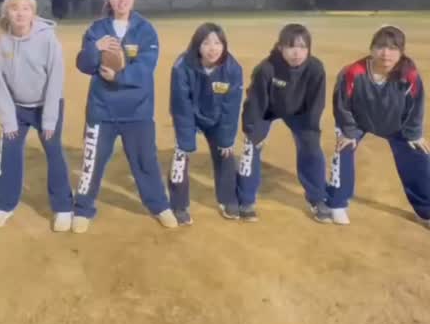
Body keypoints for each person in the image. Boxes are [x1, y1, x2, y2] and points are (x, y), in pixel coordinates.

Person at [72, 0, 177, 232]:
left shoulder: (145, 30)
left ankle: (159, 206)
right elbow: (84, 65)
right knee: (92, 162)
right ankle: (83, 208)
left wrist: (119, 77)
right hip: (102, 109)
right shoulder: (97, 29)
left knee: (145, 161)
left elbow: (146, 67)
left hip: (137, 111)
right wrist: (95, 48)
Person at [326, 24, 430, 228]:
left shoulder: (409, 75)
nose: (386, 53)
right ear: (371, 49)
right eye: (380, 47)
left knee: (418, 154)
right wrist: (349, 132)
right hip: (358, 121)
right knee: (343, 147)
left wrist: (414, 134)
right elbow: (342, 105)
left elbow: (416, 106)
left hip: (395, 124)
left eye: (393, 48)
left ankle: (426, 210)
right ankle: (337, 204)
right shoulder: (352, 72)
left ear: (401, 52)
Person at [0, 0, 73, 231]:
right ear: (6, 12)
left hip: (47, 105)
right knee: (10, 152)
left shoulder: (47, 39)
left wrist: (49, 119)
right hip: (17, 108)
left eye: (26, 8)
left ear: (33, 13)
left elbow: (55, 79)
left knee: (54, 152)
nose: (20, 13)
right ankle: (4, 205)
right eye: (14, 8)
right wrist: (8, 119)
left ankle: (63, 208)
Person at [236, 23, 331, 222]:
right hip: (267, 109)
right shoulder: (266, 69)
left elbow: (316, 103)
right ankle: (246, 200)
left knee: (311, 149)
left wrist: (311, 130)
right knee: (251, 147)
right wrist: (252, 130)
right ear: (280, 48)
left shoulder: (315, 68)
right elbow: (255, 102)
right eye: (291, 46)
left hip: (300, 112)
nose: (297, 52)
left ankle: (317, 199)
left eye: (303, 47)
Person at [169, 22, 244, 225]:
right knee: (181, 155)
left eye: (218, 43)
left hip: (217, 117)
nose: (213, 48)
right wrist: (185, 141)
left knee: (225, 153)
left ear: (224, 45)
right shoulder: (182, 66)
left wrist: (226, 140)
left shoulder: (232, 69)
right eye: (206, 43)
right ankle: (179, 204)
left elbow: (231, 108)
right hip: (190, 114)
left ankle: (227, 199)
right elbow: (181, 106)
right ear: (197, 45)